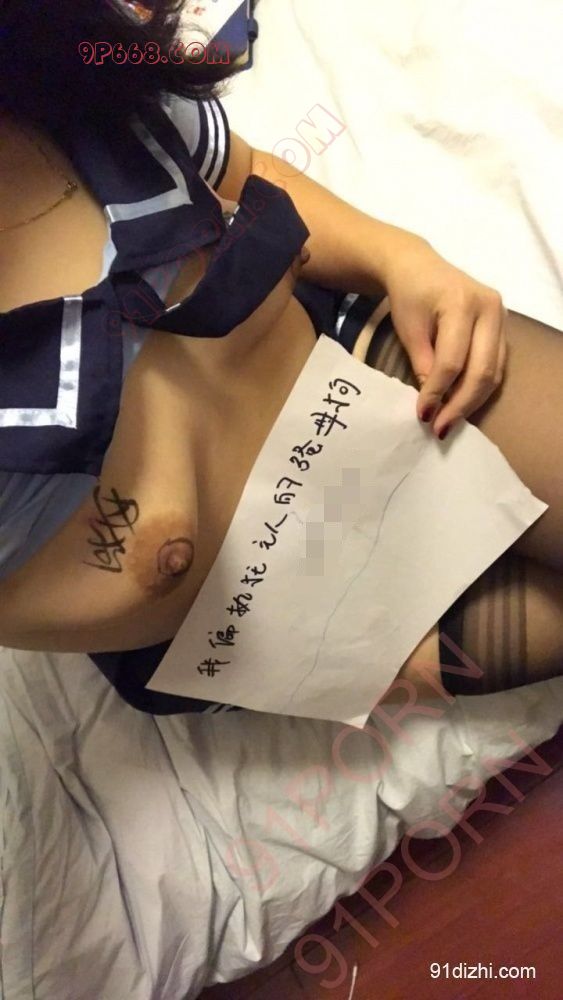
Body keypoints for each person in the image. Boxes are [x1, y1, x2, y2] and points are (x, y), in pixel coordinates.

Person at [0, 0, 561, 715]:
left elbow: (242, 172)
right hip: (244, 628)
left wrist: (399, 258)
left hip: (355, 373)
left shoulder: (60, 50)